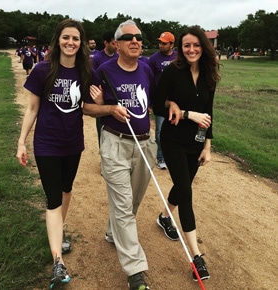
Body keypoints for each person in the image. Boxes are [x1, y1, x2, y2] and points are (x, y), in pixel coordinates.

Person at [16, 19, 92, 289]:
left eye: (75, 38)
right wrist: (22, 142)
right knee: (52, 199)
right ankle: (57, 261)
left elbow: (92, 102)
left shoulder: (86, 71)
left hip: (73, 144)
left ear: (81, 43)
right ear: (57, 41)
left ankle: (59, 232)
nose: (70, 42)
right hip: (47, 144)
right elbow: (33, 108)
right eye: (65, 38)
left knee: (66, 189)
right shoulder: (42, 70)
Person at [83, 19, 156, 290]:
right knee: (124, 205)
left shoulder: (147, 69)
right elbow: (87, 108)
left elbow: (156, 101)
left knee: (133, 201)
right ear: (117, 43)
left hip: (145, 145)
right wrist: (109, 109)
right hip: (115, 143)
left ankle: (113, 232)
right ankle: (135, 272)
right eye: (128, 38)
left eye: (138, 37)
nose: (135, 41)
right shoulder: (102, 70)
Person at [153, 26, 221, 282]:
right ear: (180, 49)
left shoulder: (209, 75)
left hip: (196, 143)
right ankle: (196, 256)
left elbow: (209, 111)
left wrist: (207, 147)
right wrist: (184, 113)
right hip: (172, 141)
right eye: (186, 45)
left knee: (183, 186)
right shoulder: (172, 72)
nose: (191, 49)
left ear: (203, 46)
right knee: (186, 190)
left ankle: (163, 217)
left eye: (196, 45)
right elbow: (157, 105)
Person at [148, 32, 177, 170]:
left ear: (172, 44)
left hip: (177, 100)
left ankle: (173, 157)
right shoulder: (153, 59)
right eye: (160, 42)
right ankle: (160, 158)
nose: (161, 45)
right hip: (161, 100)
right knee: (160, 130)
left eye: (164, 43)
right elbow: (149, 80)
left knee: (176, 129)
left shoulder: (179, 58)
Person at [92, 31, 118, 146]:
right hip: (102, 99)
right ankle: (103, 153)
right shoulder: (97, 58)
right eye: (113, 43)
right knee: (102, 128)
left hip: (116, 97)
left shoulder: (118, 56)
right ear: (106, 43)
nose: (116, 46)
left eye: (117, 43)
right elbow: (93, 79)